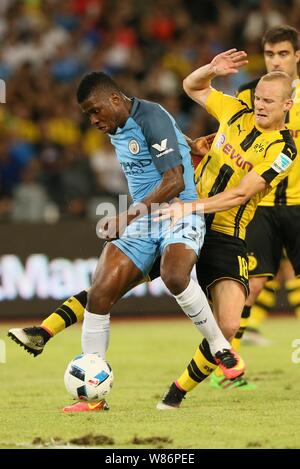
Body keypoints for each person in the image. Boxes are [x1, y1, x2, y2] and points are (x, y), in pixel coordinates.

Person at [9, 72, 244, 412]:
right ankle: (91, 397)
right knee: (100, 292)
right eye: (88, 115)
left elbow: (174, 181)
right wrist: (190, 144)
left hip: (179, 211)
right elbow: (167, 141)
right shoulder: (119, 125)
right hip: (144, 219)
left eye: (95, 111)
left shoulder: (150, 116)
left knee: (176, 275)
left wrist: (126, 217)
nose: (93, 120)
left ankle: (220, 346)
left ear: (115, 99)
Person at [152, 49, 296, 408]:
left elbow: (241, 194)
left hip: (226, 234)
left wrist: (192, 205)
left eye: (269, 101)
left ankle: (175, 393)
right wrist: (211, 70)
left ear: (288, 105)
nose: (261, 105)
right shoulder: (234, 110)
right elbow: (192, 86)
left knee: (228, 326)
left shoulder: (284, 150)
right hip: (185, 221)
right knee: (122, 275)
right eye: (258, 98)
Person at [229, 25, 300, 357]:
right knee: (253, 283)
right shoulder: (249, 94)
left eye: (283, 53)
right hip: (261, 203)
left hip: (299, 203)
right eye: (270, 54)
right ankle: (226, 360)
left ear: (297, 56)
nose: (275, 61)